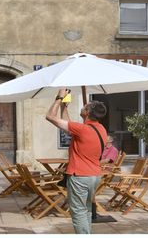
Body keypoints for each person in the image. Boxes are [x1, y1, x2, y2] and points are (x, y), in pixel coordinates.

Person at [45, 88, 109, 234]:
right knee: (85, 209)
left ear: (87, 113)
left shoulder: (82, 129)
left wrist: (59, 98)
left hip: (80, 176)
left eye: (85, 106)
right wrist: (64, 107)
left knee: (78, 211)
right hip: (94, 176)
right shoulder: (100, 129)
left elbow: (50, 116)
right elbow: (69, 127)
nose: (82, 107)